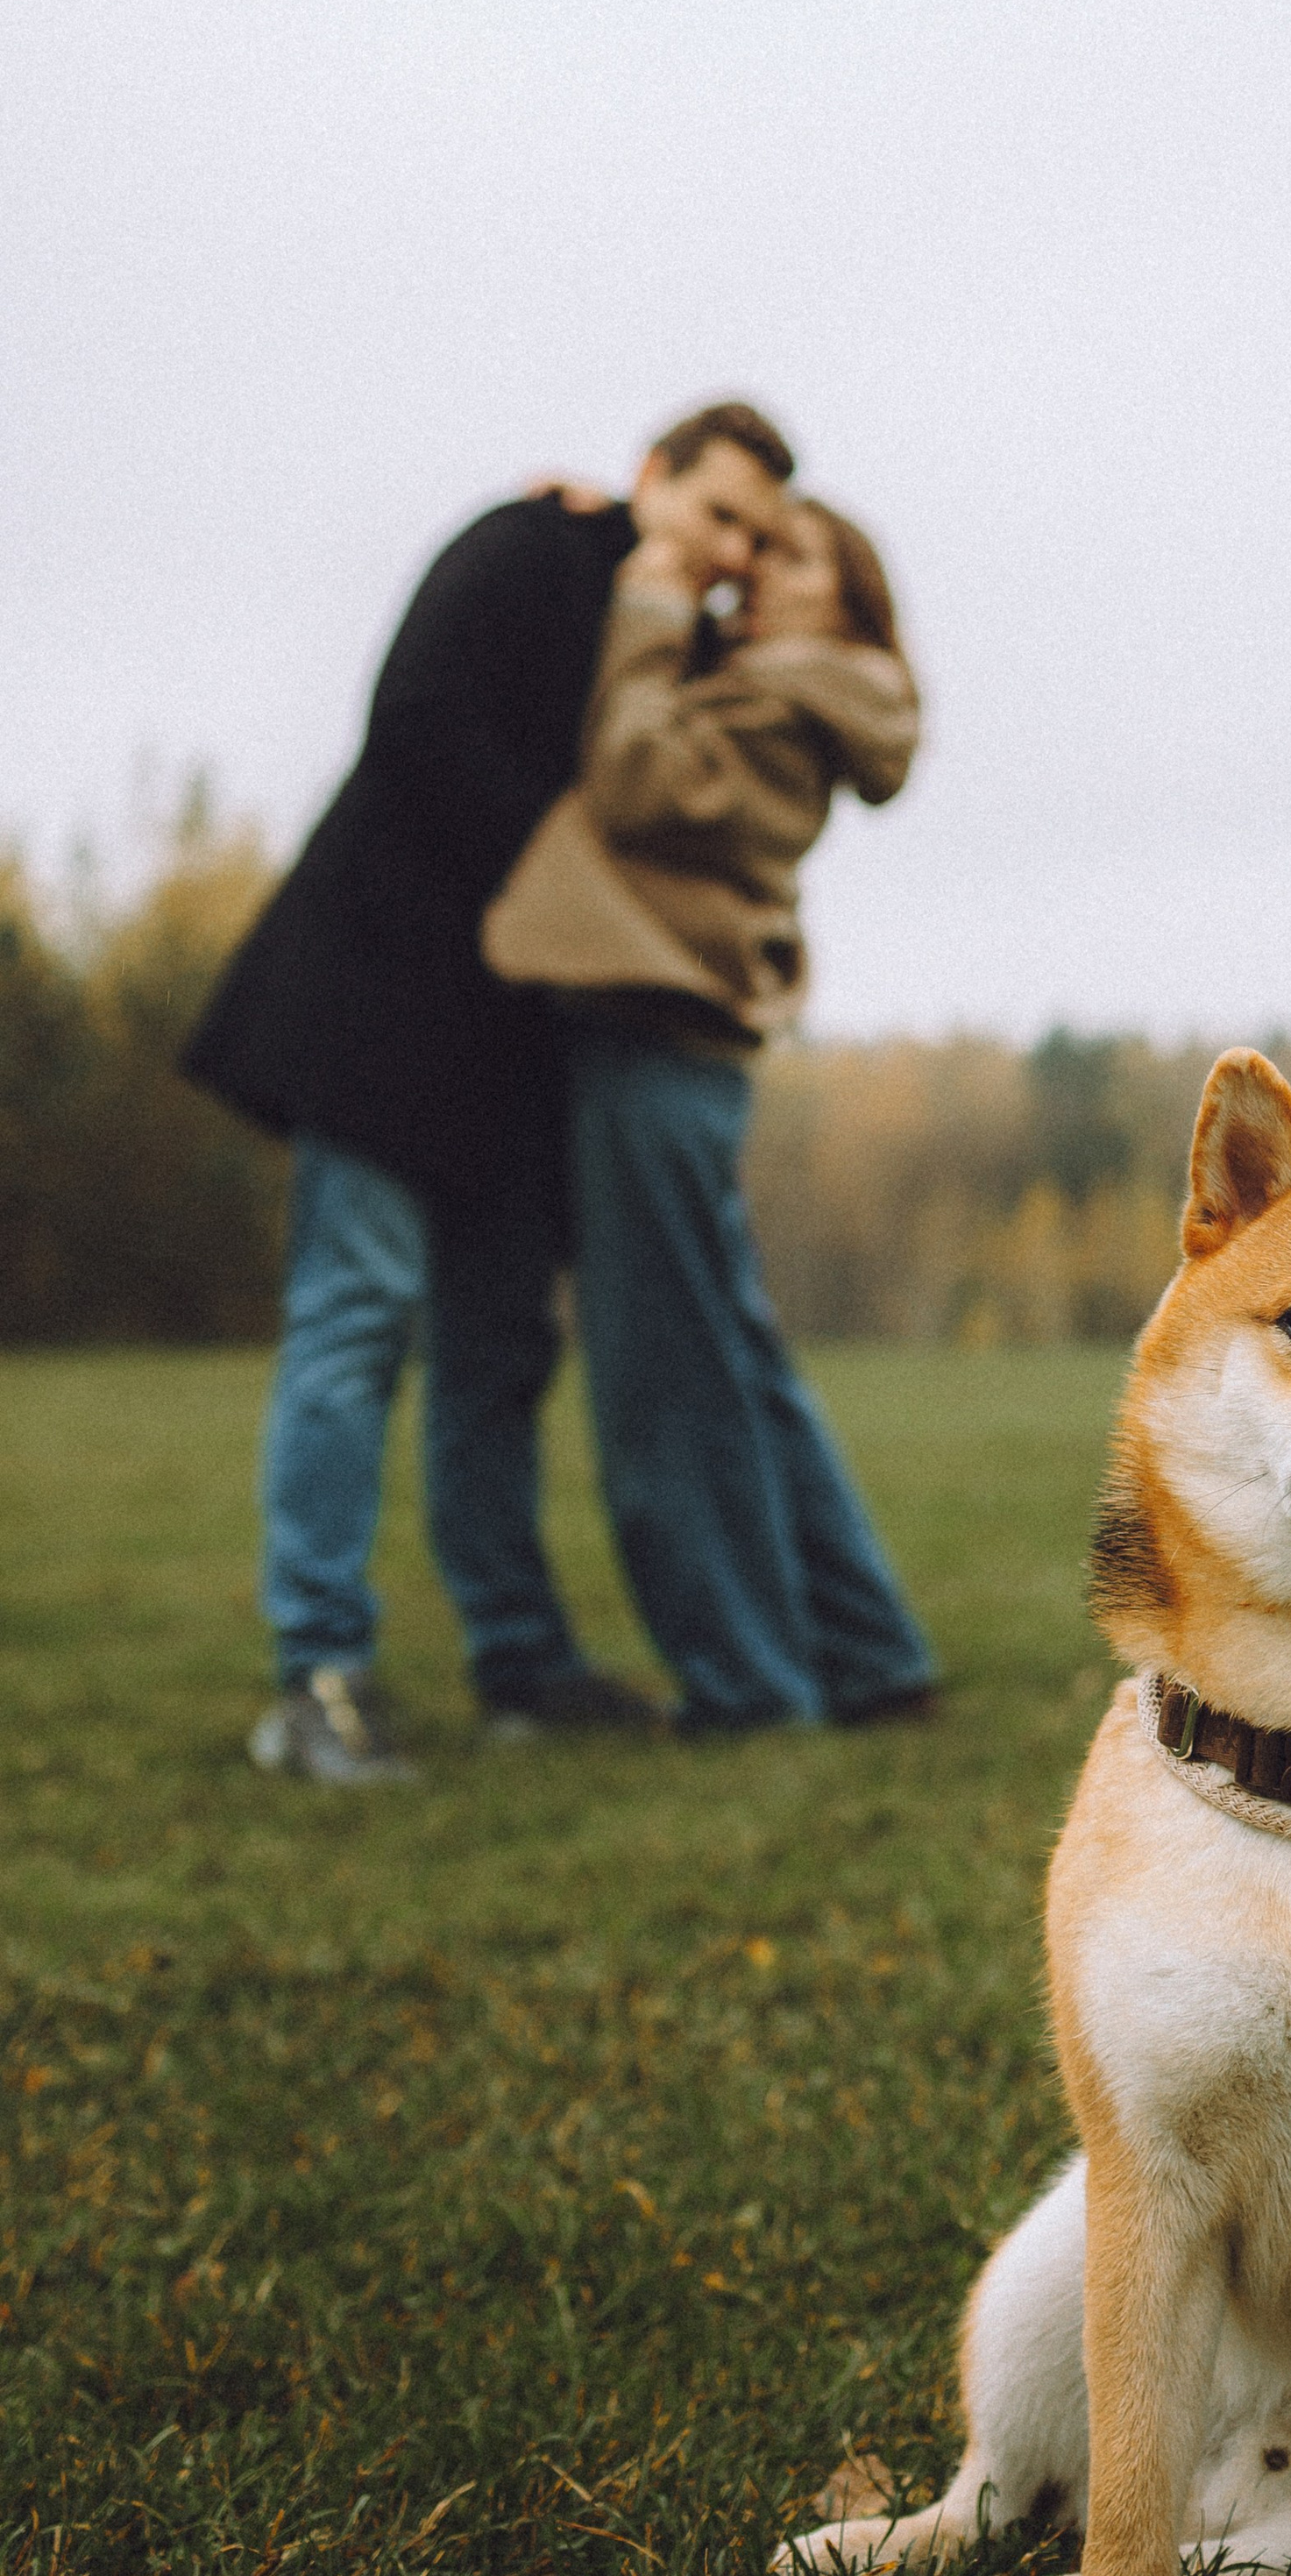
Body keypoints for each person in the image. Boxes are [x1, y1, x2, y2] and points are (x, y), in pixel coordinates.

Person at [181, 404, 793, 1778]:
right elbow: (417, 718)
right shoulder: (526, 547)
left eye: (756, 533)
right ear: (651, 478)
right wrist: (572, 872)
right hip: (385, 1007)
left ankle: (520, 1661)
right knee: (357, 1319)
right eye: (717, 512)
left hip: (529, 1051)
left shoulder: (692, 647)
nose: (733, 548)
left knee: (500, 1356)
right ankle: (318, 1675)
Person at [479, 495, 939, 1733]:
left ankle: (747, 1685)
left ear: (845, 597)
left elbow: (630, 777)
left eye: (784, 554)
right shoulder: (810, 689)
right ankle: (868, 1653)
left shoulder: (780, 697)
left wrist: (647, 605)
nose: (748, 569)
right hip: (681, 1057)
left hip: (652, 1044)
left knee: (662, 1387)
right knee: (739, 1370)